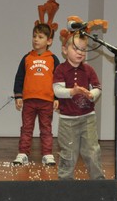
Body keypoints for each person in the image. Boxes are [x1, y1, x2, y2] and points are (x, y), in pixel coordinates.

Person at [52, 21, 104, 181]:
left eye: (83, 49)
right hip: (67, 121)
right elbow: (57, 90)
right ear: (64, 50)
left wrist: (91, 94)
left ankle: (98, 182)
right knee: (68, 153)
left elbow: (98, 88)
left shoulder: (89, 70)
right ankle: (65, 183)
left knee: (92, 151)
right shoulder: (60, 69)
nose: (80, 52)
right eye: (75, 48)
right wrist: (72, 92)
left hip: (88, 118)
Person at [12, 20, 60, 166]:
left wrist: (57, 97)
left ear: (49, 41)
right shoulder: (27, 58)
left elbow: (58, 80)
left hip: (47, 101)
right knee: (26, 128)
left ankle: (47, 154)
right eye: (34, 36)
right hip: (29, 100)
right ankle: (23, 153)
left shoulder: (53, 59)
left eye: (40, 37)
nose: (36, 39)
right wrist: (18, 95)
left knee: (46, 128)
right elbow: (19, 77)